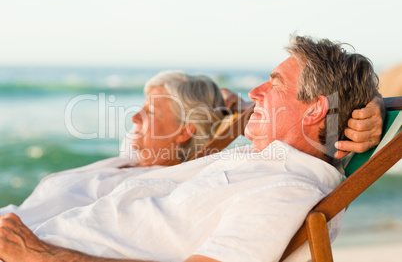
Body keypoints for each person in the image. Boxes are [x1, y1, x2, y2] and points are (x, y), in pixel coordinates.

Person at [0, 35, 383, 262]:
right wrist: (375, 106)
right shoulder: (262, 161)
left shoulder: (286, 191)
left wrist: (40, 255)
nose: (256, 92)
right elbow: (240, 110)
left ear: (315, 108)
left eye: (274, 83)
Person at [0, 70, 227, 229]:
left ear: (183, 132)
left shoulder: (147, 187)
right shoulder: (132, 159)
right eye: (143, 106)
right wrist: (227, 105)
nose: (136, 116)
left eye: (151, 111)